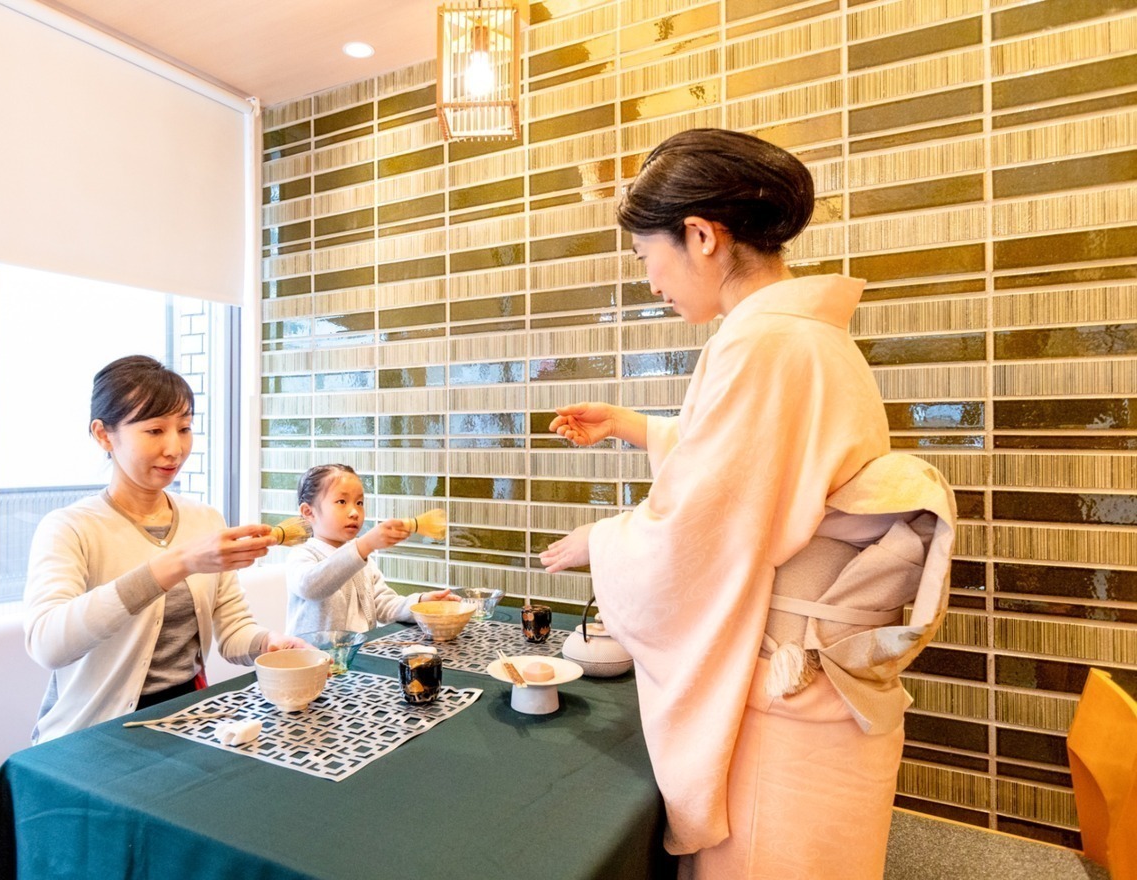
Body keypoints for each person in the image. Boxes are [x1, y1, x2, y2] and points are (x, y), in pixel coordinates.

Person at [539, 129, 955, 879]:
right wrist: (634, 427)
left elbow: (704, 525)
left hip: (791, 689)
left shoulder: (765, 344)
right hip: (821, 685)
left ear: (700, 235)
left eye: (646, 257)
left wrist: (601, 541)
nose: (652, 280)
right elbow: (761, 468)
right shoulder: (800, 337)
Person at [24, 355, 308, 743]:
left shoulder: (204, 519)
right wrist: (178, 562)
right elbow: (48, 645)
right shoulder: (70, 527)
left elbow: (232, 629)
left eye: (185, 428)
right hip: (92, 735)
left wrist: (268, 643)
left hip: (189, 721)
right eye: (155, 430)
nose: (175, 448)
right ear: (104, 435)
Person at [286, 463, 456, 635]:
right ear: (308, 512)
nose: (354, 512)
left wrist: (421, 603)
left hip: (355, 655)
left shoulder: (363, 561)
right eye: (342, 501)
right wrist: (363, 546)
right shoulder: (302, 555)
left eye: (359, 502)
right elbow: (311, 586)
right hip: (312, 659)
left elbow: (383, 604)